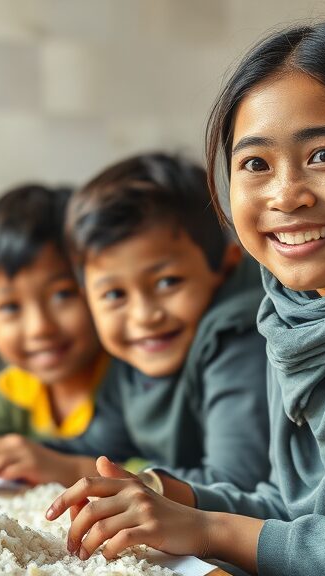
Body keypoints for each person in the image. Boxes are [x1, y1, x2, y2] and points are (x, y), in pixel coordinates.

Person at [47, 21, 325, 575]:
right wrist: (166, 497)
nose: (286, 195)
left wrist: (207, 529)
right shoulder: (291, 311)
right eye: (255, 164)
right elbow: (298, 516)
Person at [47, 152, 269, 490]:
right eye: (114, 295)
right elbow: (96, 448)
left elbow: (235, 482)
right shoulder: (135, 354)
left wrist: (73, 469)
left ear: (225, 267)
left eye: (168, 282)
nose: (144, 316)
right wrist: (25, 454)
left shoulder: (236, 336)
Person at [0, 183, 111, 486]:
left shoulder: (129, 383)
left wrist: (68, 467)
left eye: (63, 295)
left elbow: (167, 470)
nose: (40, 327)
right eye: (10, 307)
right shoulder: (18, 388)